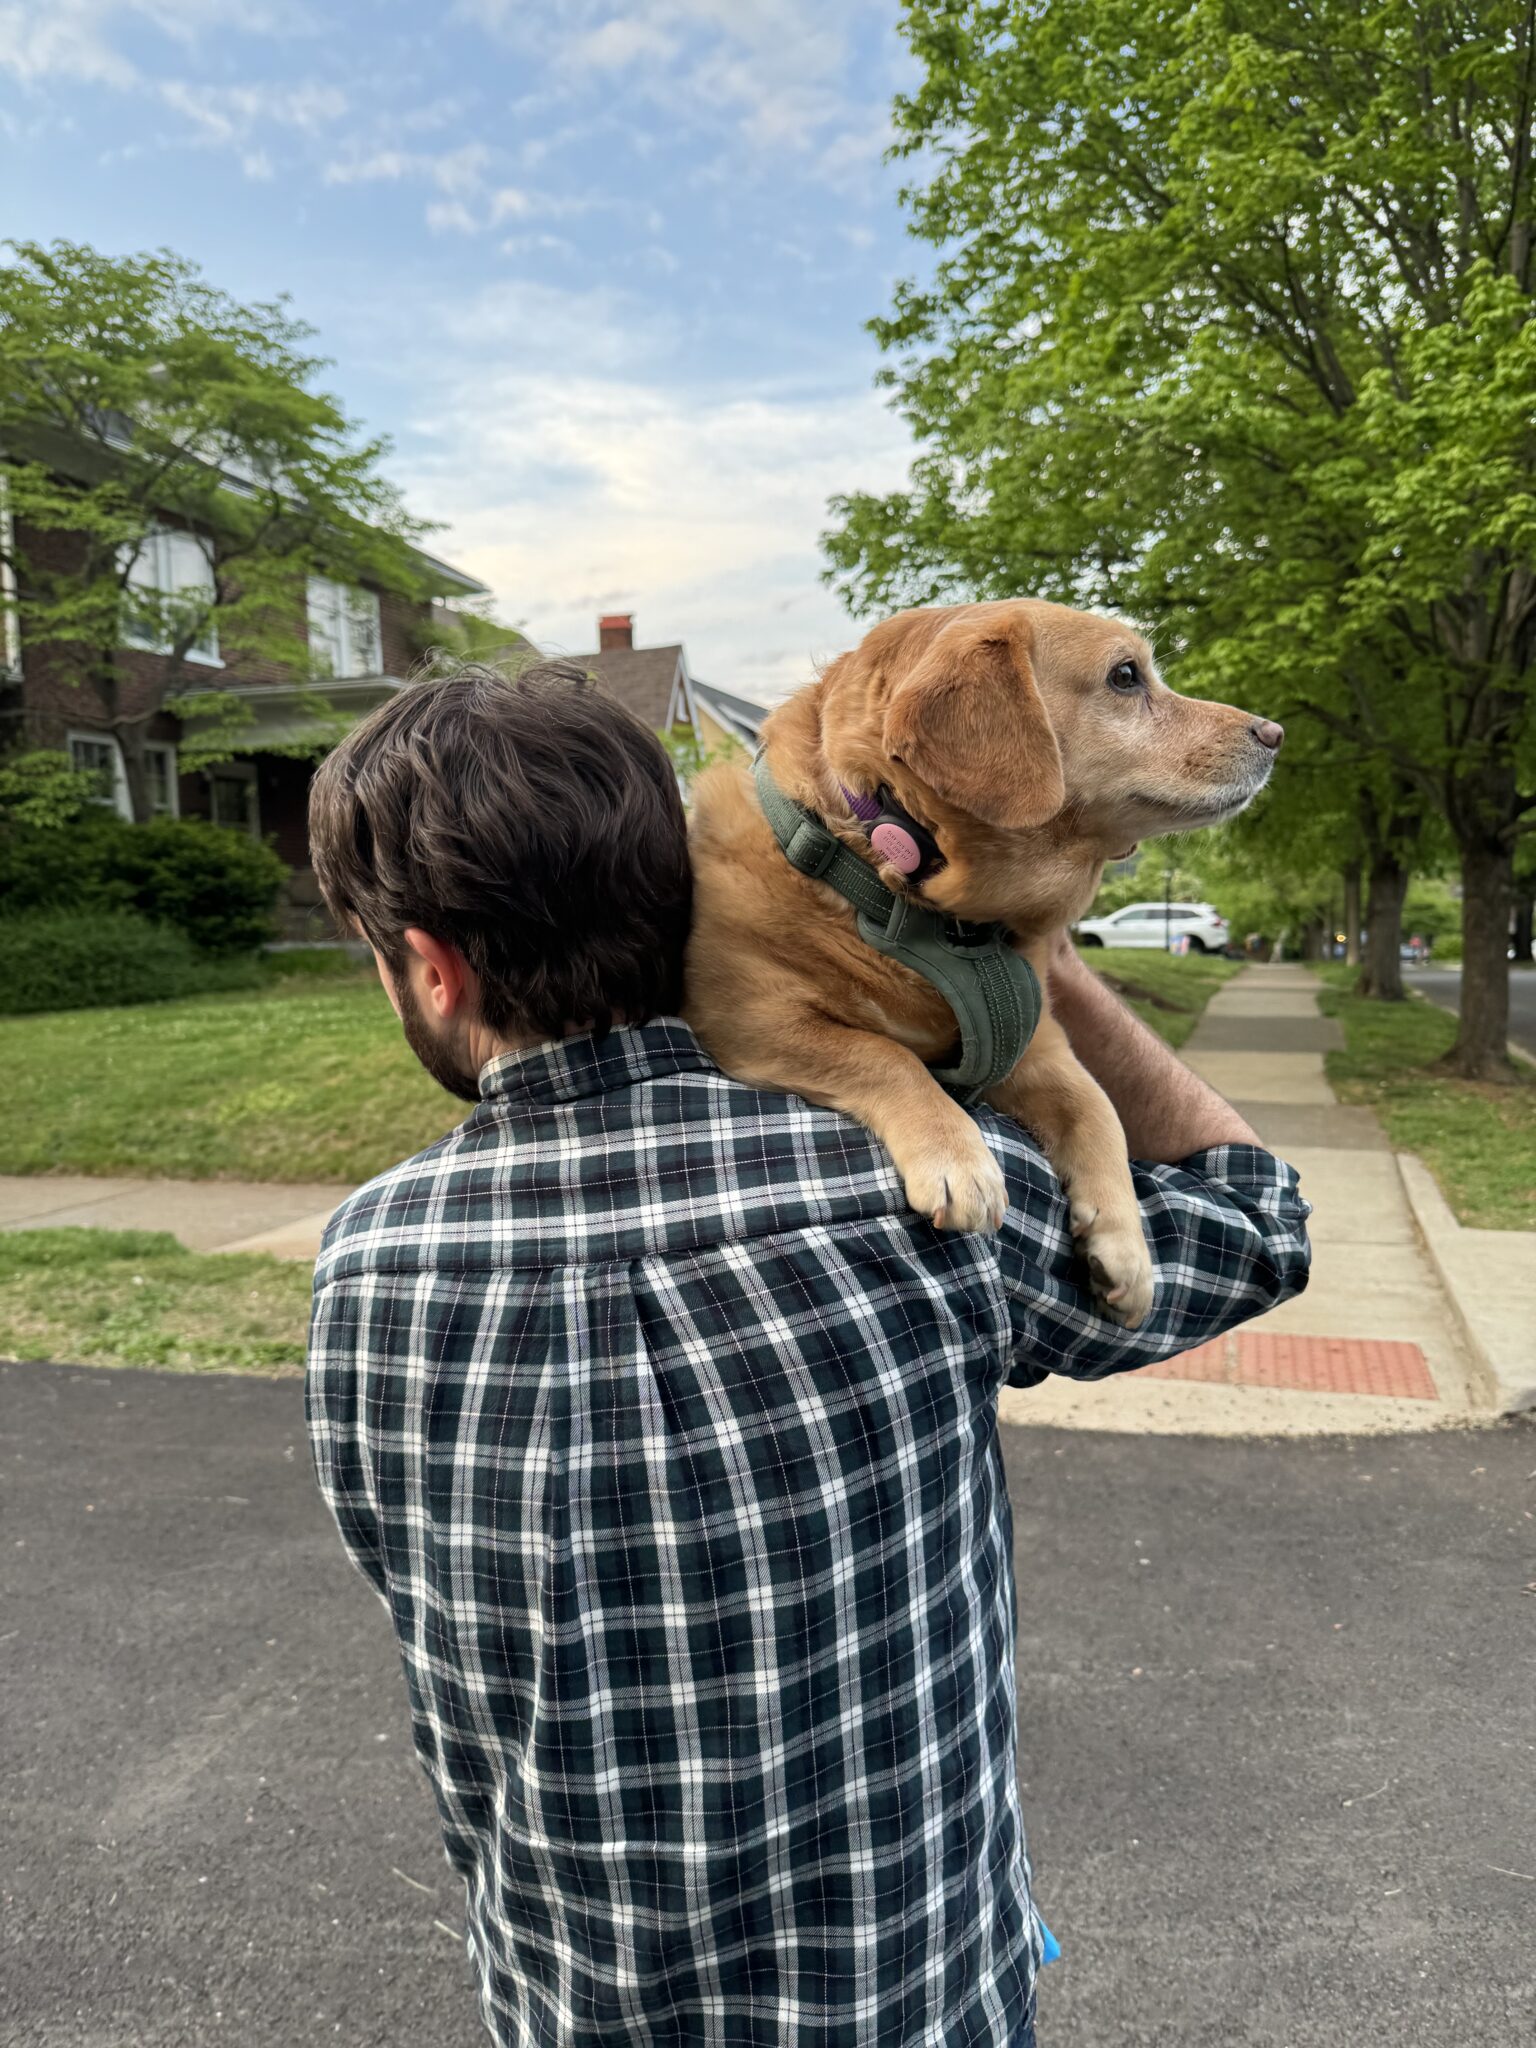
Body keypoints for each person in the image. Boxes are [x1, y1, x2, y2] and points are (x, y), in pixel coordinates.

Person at [304, 660, 1311, 2048]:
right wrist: (1033, 961)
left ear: (426, 962)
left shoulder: (367, 1267)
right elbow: (1259, 1226)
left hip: (571, 2009)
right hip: (921, 2000)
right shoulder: (916, 1196)